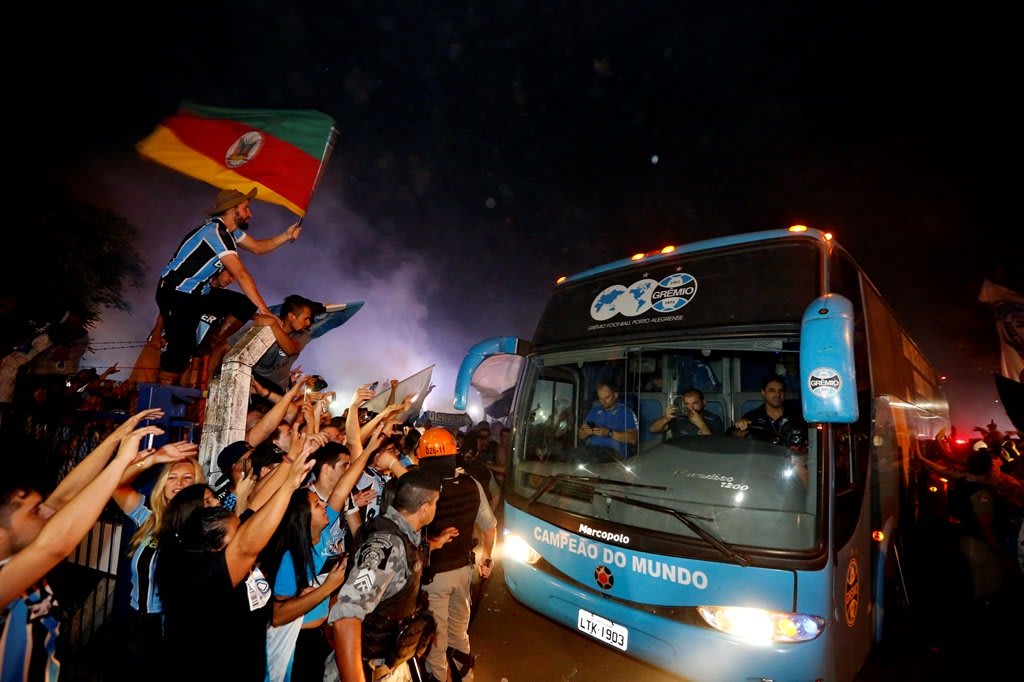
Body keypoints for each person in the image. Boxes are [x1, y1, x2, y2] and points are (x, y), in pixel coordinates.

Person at [1, 413, 164, 680]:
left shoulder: (23, 547)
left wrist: (115, 437)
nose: (47, 513)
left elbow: (64, 496)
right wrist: (121, 462)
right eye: (34, 512)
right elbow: (56, 547)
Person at [155, 437, 316, 681]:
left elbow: (257, 505)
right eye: (208, 502)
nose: (218, 502)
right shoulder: (192, 572)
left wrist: (291, 459)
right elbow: (247, 546)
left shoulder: (222, 538)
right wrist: (289, 484)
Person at [154, 186, 301, 386]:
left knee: (244, 304)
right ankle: (160, 396)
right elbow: (240, 273)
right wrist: (265, 310)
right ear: (233, 209)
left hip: (198, 293)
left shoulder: (231, 233)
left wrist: (286, 235)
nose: (250, 213)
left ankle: (208, 347)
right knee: (180, 349)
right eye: (246, 208)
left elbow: (258, 247)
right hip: (176, 293)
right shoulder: (216, 233)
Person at [325, 467, 442, 682]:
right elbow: (345, 615)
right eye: (436, 503)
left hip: (388, 666)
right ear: (425, 508)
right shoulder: (385, 548)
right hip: (367, 669)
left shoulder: (406, 538)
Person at [415, 427, 497, 682]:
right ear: (454, 456)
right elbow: (490, 526)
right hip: (464, 571)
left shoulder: (419, 488)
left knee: (436, 640)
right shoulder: (472, 484)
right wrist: (487, 558)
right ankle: (465, 676)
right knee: (459, 631)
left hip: (433, 575)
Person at [730, 374, 807, 448]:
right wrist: (738, 431)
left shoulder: (797, 417)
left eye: (781, 390)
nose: (777, 394)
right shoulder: (751, 417)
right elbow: (733, 436)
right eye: (772, 390)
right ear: (763, 393)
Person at [577, 382, 638, 459]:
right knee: (574, 454)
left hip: (614, 453)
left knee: (591, 458)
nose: (603, 402)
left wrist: (609, 433)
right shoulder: (594, 411)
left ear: (615, 395)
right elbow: (581, 436)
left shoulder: (626, 412)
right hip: (592, 449)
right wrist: (586, 432)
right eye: (600, 398)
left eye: (607, 398)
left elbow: (633, 439)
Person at [649, 388, 724, 438]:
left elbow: (714, 446)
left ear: (703, 403)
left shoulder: (714, 419)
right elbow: (653, 430)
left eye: (695, 403)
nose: (691, 408)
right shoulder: (678, 417)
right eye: (687, 404)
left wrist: (701, 424)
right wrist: (665, 418)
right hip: (680, 455)